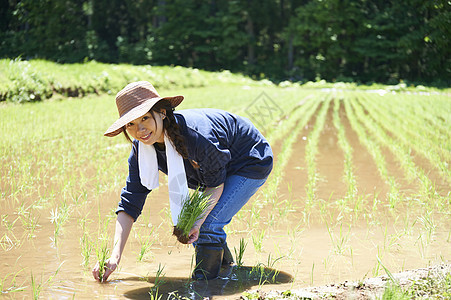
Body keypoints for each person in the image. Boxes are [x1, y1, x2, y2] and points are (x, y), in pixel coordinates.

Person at [92, 81, 273, 282]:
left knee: (206, 224)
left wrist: (198, 221)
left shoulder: (195, 137)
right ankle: (225, 269)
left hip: (248, 159)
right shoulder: (141, 151)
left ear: (162, 112)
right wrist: (114, 257)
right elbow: (130, 202)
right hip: (211, 170)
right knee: (192, 225)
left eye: (145, 118)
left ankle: (204, 286)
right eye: (131, 124)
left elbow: (214, 185)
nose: (140, 130)